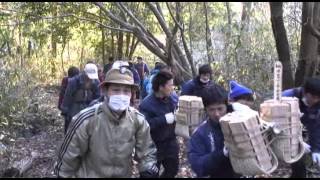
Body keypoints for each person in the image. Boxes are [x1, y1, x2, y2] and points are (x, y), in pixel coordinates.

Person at [54, 66, 159, 178]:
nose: (121, 95)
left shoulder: (138, 120)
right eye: (116, 90)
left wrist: (148, 168)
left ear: (132, 94)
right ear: (105, 91)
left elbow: (147, 152)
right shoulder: (86, 120)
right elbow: (67, 159)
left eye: (126, 91)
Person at [187, 85, 238, 178]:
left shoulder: (239, 124)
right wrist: (222, 153)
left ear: (226, 106)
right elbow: (198, 166)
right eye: (211, 110)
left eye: (220, 109)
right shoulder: (200, 134)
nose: (217, 114)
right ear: (205, 110)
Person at [139, 70, 179, 178]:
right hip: (153, 146)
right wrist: (164, 119)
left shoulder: (172, 99)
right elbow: (144, 126)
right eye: (170, 85)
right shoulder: (146, 104)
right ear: (161, 87)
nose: (173, 87)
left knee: (173, 170)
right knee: (149, 174)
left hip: (170, 142)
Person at [284, 78, 320, 178]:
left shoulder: (317, 104)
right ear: (306, 92)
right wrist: (296, 141)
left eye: (318, 98)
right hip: (278, 133)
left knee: (299, 166)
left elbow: (315, 127)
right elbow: (277, 123)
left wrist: (316, 149)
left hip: (297, 131)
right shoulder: (287, 97)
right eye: (314, 97)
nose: (316, 100)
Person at [60, 63, 100, 134]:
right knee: (72, 126)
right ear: (84, 73)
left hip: (89, 105)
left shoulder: (96, 82)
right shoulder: (74, 81)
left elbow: (98, 96)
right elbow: (68, 96)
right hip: (75, 106)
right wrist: (65, 110)